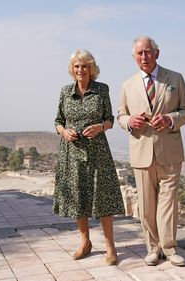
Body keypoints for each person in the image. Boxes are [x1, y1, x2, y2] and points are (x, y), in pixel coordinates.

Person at [117, 36, 185, 267]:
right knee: (147, 204)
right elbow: (120, 116)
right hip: (141, 152)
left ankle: (170, 249)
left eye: (148, 52)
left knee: (168, 202)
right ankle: (152, 248)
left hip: (170, 152)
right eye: (139, 53)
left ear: (157, 53)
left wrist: (171, 119)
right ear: (134, 57)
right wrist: (130, 121)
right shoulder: (127, 85)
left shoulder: (176, 79)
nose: (144, 57)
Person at [53, 49, 125, 266]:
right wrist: (64, 132)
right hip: (72, 153)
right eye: (77, 66)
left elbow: (110, 119)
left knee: (102, 196)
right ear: (72, 69)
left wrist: (100, 127)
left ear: (92, 69)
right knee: (78, 197)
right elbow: (58, 120)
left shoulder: (102, 90)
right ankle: (85, 242)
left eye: (85, 66)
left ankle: (110, 246)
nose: (80, 70)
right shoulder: (65, 92)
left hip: (97, 153)